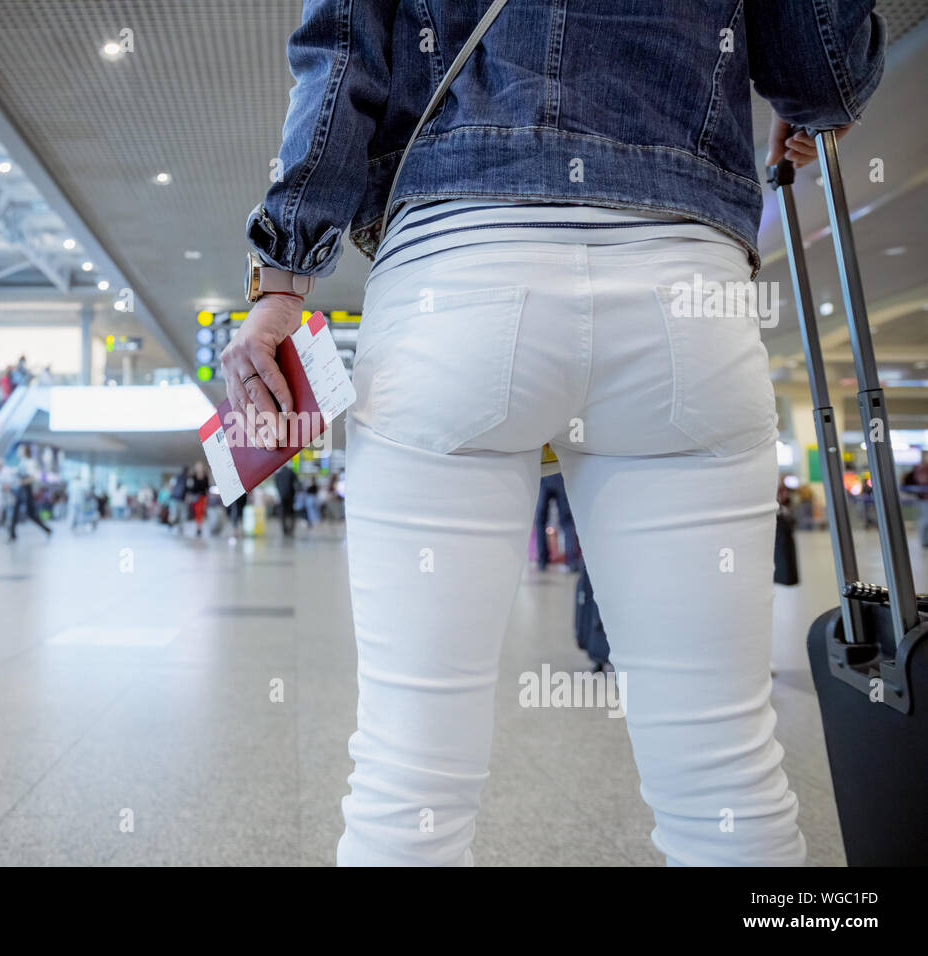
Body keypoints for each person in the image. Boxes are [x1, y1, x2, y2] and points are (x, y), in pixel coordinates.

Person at [223, 1, 885, 866]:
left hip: (456, 278)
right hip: (684, 292)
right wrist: (810, 100)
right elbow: (824, 67)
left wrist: (282, 275)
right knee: (726, 780)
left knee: (407, 778)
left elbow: (343, 51)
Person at [533, 472, 580, 572]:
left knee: (540, 521)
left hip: (544, 474)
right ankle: (572, 562)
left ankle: (542, 561)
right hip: (560, 475)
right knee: (567, 522)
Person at [8, 445, 50, 541]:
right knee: (15, 511)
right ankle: (12, 534)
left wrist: (21, 482)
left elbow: (32, 478)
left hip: (26, 489)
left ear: (25, 451)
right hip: (21, 488)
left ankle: (47, 530)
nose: (18, 452)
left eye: (20, 450)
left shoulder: (30, 462)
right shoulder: (21, 462)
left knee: (30, 514)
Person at [185, 462, 210, 537]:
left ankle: (199, 527)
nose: (199, 468)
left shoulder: (205, 477)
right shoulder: (193, 476)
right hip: (195, 497)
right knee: (197, 512)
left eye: (200, 466)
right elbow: (191, 488)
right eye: (198, 466)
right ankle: (198, 526)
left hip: (203, 497)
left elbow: (207, 488)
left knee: (200, 511)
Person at [275, 464, 297, 537]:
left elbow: (276, 484)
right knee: (291, 513)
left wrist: (280, 492)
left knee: (283, 514)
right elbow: (296, 483)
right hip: (290, 496)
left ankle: (284, 530)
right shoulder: (291, 472)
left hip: (282, 496)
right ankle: (291, 530)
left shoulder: (278, 474)